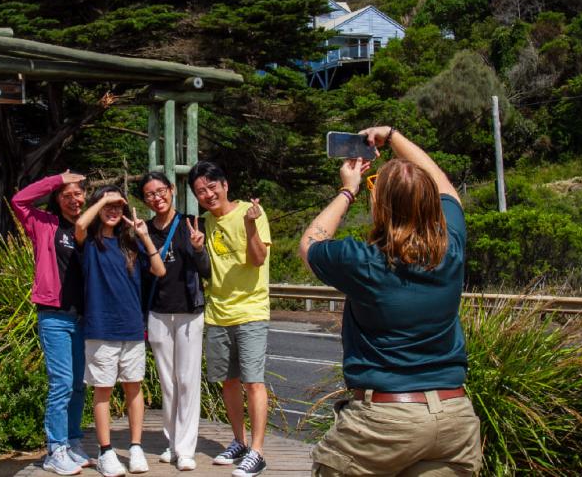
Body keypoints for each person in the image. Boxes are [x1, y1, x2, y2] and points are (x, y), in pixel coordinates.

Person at [299, 126, 482, 476]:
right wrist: (394, 136)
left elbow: (309, 244)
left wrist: (348, 190)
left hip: (384, 422)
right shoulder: (452, 247)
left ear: (380, 205)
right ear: (432, 204)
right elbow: (445, 186)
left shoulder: (361, 261)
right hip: (453, 420)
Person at [74, 186, 166, 477]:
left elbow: (160, 270)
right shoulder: (89, 242)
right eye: (107, 206)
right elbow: (79, 224)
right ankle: (105, 451)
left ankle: (136, 446)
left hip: (131, 327)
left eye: (118, 206)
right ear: (98, 207)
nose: (113, 210)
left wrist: (143, 235)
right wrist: (103, 199)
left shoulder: (131, 245)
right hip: (100, 328)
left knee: (133, 386)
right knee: (103, 391)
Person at [188, 161, 271, 477]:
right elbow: (209, 267)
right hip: (218, 312)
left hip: (250, 310)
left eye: (212, 186)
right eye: (200, 191)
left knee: (253, 381)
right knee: (229, 381)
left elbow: (258, 259)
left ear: (225, 184)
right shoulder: (205, 221)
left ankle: (258, 451)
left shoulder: (251, 213)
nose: (207, 194)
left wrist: (250, 226)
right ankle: (239, 441)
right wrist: (197, 250)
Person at [11, 170, 92, 476]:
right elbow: (19, 200)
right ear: (57, 198)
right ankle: (54, 449)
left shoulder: (87, 227)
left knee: (78, 386)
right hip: (54, 314)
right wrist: (58, 178)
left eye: (78, 194)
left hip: (82, 316)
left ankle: (72, 442)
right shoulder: (43, 223)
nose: (74, 200)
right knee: (61, 385)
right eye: (67, 194)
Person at [138, 172, 211, 472]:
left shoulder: (191, 223)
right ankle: (171, 441)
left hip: (189, 311)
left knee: (187, 379)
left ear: (172, 191)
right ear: (145, 200)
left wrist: (198, 248)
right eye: (149, 194)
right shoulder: (142, 230)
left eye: (161, 191)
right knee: (168, 381)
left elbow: (206, 271)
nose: (157, 198)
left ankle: (185, 448)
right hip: (157, 311)